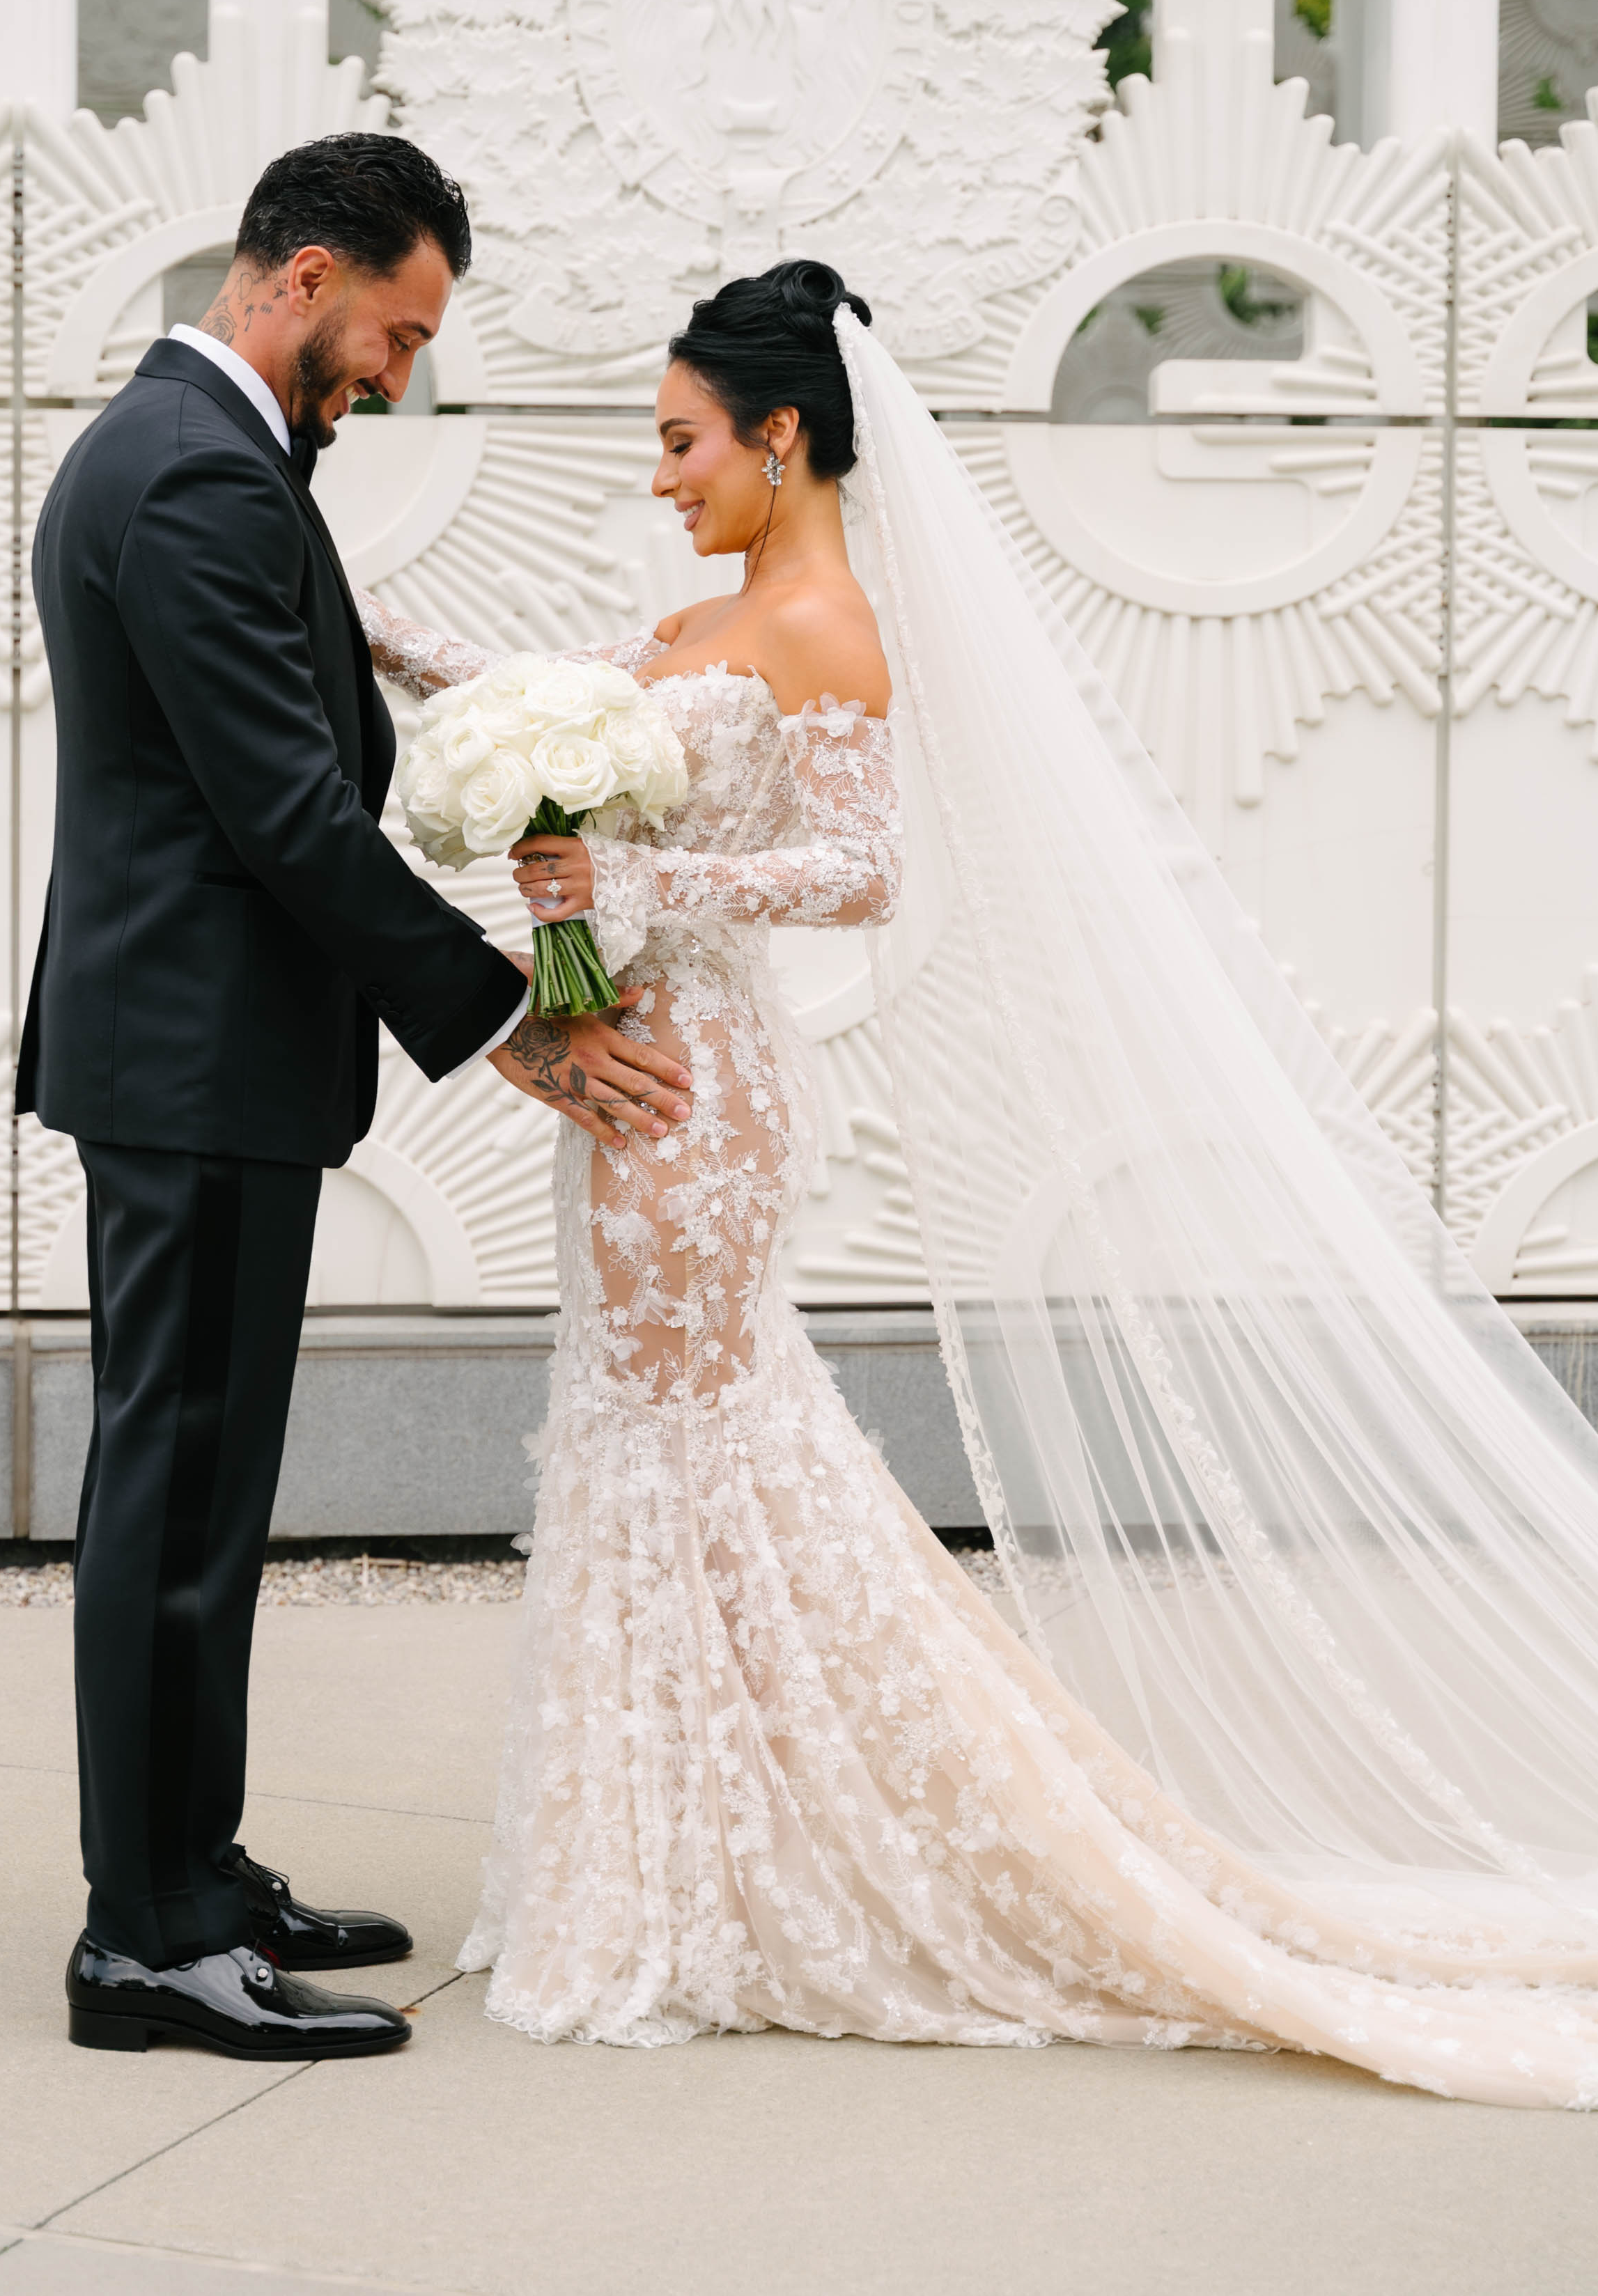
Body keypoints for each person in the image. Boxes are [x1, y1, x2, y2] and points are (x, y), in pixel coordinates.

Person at [360, 256, 1598, 2107]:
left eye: (684, 441)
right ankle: (675, 1848)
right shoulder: (707, 614)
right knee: (650, 1433)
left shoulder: (828, 625)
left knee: (692, 1437)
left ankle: (739, 1861)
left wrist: (629, 894)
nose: (659, 475)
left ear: (782, 436)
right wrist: (368, 632)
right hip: (629, 1078)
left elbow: (855, 871)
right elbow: (542, 713)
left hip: (704, 1095)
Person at [17, 134, 691, 2063]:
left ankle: (191, 1868)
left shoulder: (200, 452)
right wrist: (513, 1019)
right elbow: (286, 813)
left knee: (206, 1483)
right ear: (300, 277)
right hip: (195, 1054)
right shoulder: (193, 473)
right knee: (175, 1488)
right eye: (393, 330)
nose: (398, 372)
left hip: (200, 1049)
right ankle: (142, 1940)